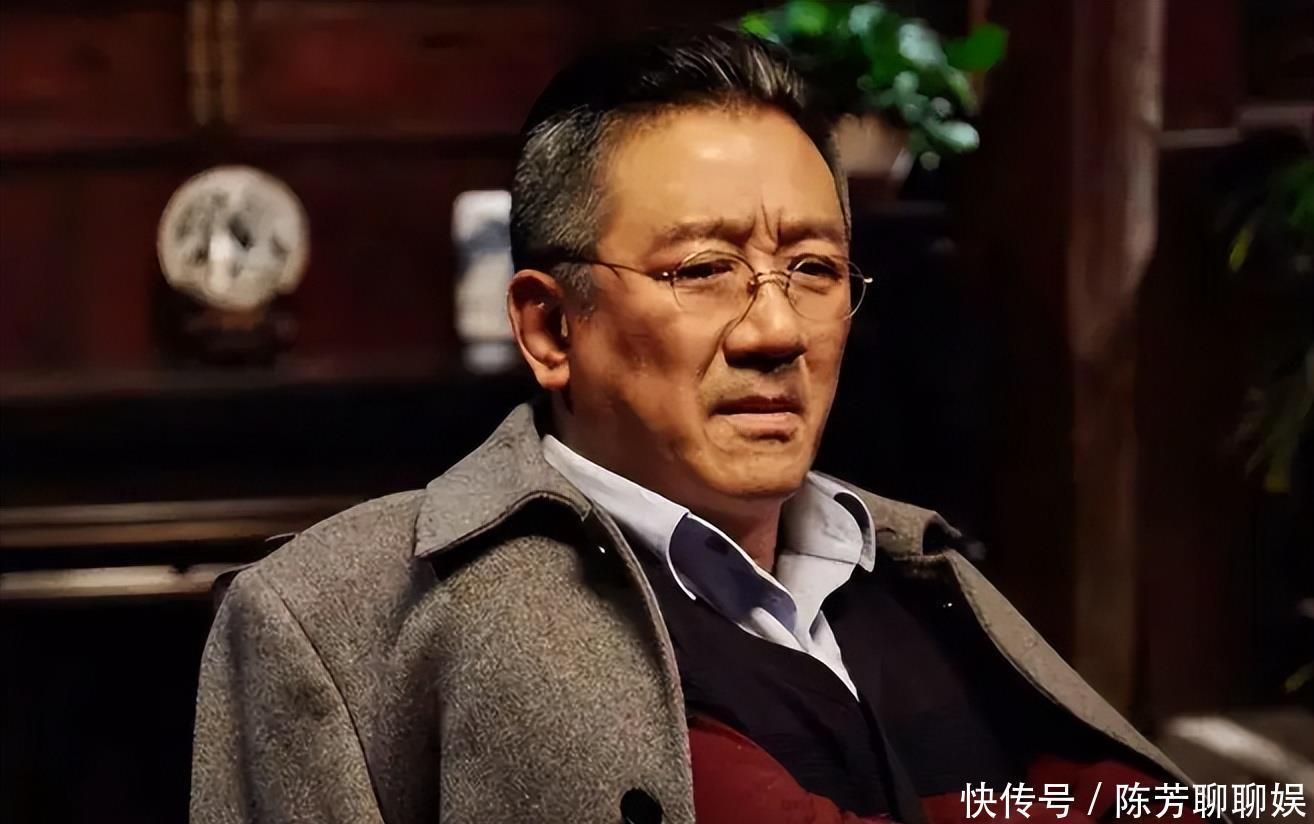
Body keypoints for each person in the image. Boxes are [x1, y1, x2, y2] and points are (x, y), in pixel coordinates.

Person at [191, 27, 1211, 824]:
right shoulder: (347, 616)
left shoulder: (916, 570)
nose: (777, 330)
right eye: (704, 270)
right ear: (551, 327)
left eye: (813, 269)